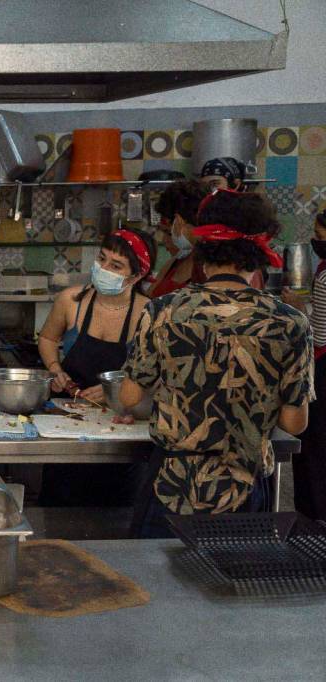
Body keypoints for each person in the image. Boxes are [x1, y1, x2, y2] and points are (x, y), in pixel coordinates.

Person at [121, 189, 311, 538]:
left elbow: (131, 396)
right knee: (231, 586)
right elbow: (294, 423)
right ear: (257, 255)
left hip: (173, 485)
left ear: (202, 248)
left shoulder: (163, 312)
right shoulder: (289, 323)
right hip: (245, 487)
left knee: (159, 586)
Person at [37, 228, 156, 507]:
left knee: (114, 512)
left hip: (121, 427)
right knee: (60, 508)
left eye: (116, 266)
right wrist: (55, 368)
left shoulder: (148, 313)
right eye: (102, 259)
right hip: (67, 422)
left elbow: (154, 375)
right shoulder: (71, 300)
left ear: (136, 276)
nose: (104, 269)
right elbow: (48, 338)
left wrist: (115, 391)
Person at [284, 209, 326, 521]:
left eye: (321, 236)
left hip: (323, 371)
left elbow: (320, 333)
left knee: (313, 449)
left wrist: (299, 307)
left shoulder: (325, 275)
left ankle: (312, 518)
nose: (316, 241)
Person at [148, 180, 209, 298]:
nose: (165, 239)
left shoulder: (211, 267)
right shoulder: (177, 260)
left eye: (168, 231)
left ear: (178, 221)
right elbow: (148, 298)